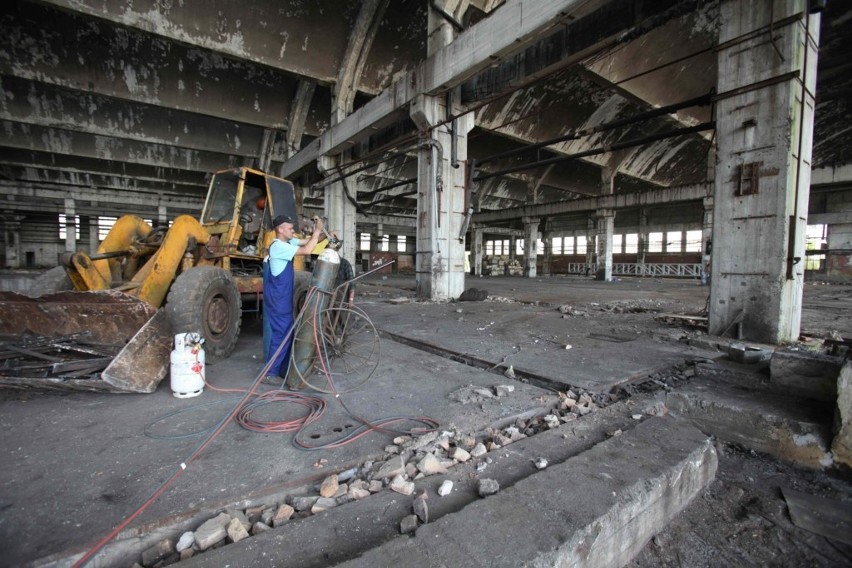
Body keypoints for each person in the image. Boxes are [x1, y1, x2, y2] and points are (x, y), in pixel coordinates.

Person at [262, 214, 324, 383]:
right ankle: (270, 373)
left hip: (282, 296)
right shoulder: (278, 246)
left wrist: (323, 233)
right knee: (281, 333)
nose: (293, 231)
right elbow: (307, 250)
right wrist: (317, 231)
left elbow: (309, 242)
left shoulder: (288, 243)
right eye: (289, 228)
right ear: (280, 229)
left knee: (287, 332)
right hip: (278, 298)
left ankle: (282, 370)